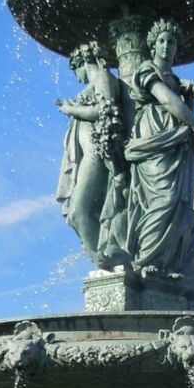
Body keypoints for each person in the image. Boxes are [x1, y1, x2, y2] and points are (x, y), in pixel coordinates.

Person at [123, 18, 194, 276]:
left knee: (183, 203)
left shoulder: (175, 78)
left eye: (171, 41)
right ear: (152, 45)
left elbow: (176, 86)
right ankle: (146, 259)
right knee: (164, 199)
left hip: (178, 140)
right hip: (155, 135)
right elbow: (166, 98)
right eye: (161, 40)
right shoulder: (145, 69)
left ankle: (170, 263)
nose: (166, 46)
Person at [55, 41, 129, 266]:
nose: (77, 77)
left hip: (97, 154)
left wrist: (71, 109)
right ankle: (106, 256)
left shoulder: (103, 78)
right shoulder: (98, 81)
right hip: (90, 155)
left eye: (75, 70)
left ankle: (105, 261)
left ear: (81, 62)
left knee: (78, 213)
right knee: (81, 215)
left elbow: (104, 110)